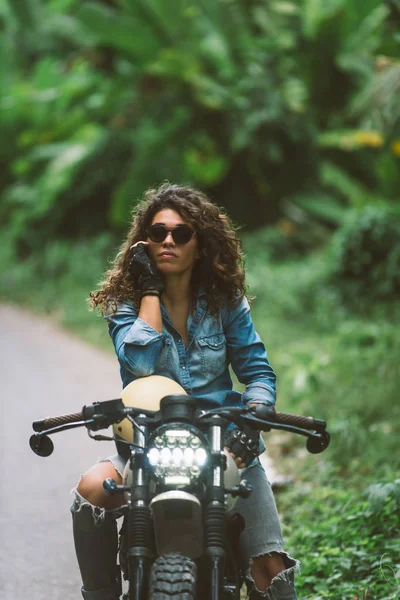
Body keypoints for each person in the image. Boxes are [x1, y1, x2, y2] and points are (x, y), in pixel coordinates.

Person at [71, 183, 299, 600]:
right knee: (91, 490)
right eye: (158, 233)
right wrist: (150, 290)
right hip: (146, 442)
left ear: (201, 243)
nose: (169, 241)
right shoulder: (126, 302)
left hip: (223, 441)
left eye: (181, 233)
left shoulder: (225, 301)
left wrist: (255, 416)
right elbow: (139, 364)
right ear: (145, 242)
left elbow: (258, 372)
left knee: (271, 568)